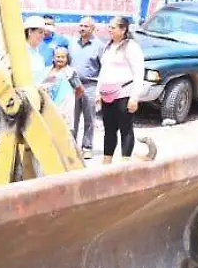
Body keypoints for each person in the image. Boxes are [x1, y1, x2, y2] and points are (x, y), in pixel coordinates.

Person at [96, 15, 146, 165]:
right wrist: (98, 92)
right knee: (109, 129)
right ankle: (107, 161)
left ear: (123, 29)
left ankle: (125, 162)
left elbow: (139, 72)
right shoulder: (108, 46)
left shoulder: (131, 47)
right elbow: (103, 70)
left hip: (124, 93)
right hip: (107, 94)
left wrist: (134, 97)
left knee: (125, 128)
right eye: (109, 27)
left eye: (113, 27)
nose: (109, 30)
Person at [67, 16, 105, 158]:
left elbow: (104, 68)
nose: (82, 28)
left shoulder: (99, 46)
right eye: (81, 25)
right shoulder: (72, 43)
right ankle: (71, 146)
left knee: (89, 117)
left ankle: (87, 147)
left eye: (86, 26)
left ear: (93, 28)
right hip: (73, 85)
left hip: (90, 85)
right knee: (72, 118)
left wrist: (100, 91)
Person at [44, 47, 82, 130]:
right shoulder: (47, 71)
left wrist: (70, 99)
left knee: (64, 131)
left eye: (63, 57)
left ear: (67, 59)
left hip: (64, 109)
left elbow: (80, 89)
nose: (60, 59)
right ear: (53, 58)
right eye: (58, 57)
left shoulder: (70, 72)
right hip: (49, 107)